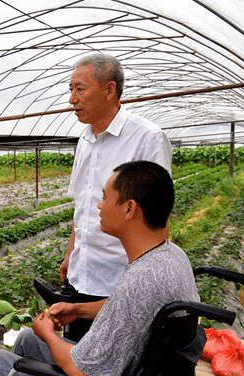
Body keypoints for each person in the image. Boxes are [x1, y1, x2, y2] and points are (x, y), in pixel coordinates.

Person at [0, 160, 198, 376]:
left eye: (104, 197)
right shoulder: (170, 256)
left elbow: (79, 372)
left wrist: (50, 336)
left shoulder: (139, 279)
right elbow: (131, 308)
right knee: (27, 340)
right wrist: (77, 310)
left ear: (129, 209)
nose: (99, 206)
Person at [60, 53, 173, 341]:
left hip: (119, 283)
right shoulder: (85, 141)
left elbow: (158, 217)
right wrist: (71, 255)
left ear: (110, 89)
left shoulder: (146, 137)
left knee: (109, 369)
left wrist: (145, 284)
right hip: (81, 274)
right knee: (77, 353)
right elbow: (82, 205)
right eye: (70, 89)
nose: (72, 98)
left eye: (79, 89)